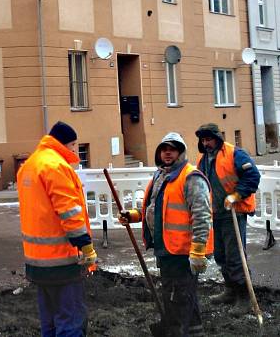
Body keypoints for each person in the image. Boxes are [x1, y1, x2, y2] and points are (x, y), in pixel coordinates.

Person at [118, 132, 212, 337]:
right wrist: (133, 215)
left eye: (173, 149)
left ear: (181, 152)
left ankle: (177, 333)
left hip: (183, 253)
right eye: (164, 149)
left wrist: (197, 251)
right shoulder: (161, 176)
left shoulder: (191, 177)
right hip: (167, 249)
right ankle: (195, 332)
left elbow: (202, 216)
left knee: (176, 298)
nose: (167, 153)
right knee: (184, 297)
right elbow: (154, 209)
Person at [17, 121, 97, 337]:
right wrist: (86, 246)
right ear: (65, 143)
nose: (73, 150)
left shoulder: (30, 165)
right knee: (70, 320)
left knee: (50, 321)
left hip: (37, 261)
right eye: (72, 145)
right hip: (62, 261)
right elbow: (69, 212)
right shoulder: (56, 166)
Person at [195, 123, 261, 315]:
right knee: (221, 255)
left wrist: (237, 195)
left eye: (209, 139)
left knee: (235, 256)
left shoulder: (234, 154)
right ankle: (231, 290)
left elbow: (252, 175)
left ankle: (244, 297)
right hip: (215, 214)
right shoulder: (204, 160)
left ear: (217, 138)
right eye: (203, 140)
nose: (206, 143)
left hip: (234, 211)